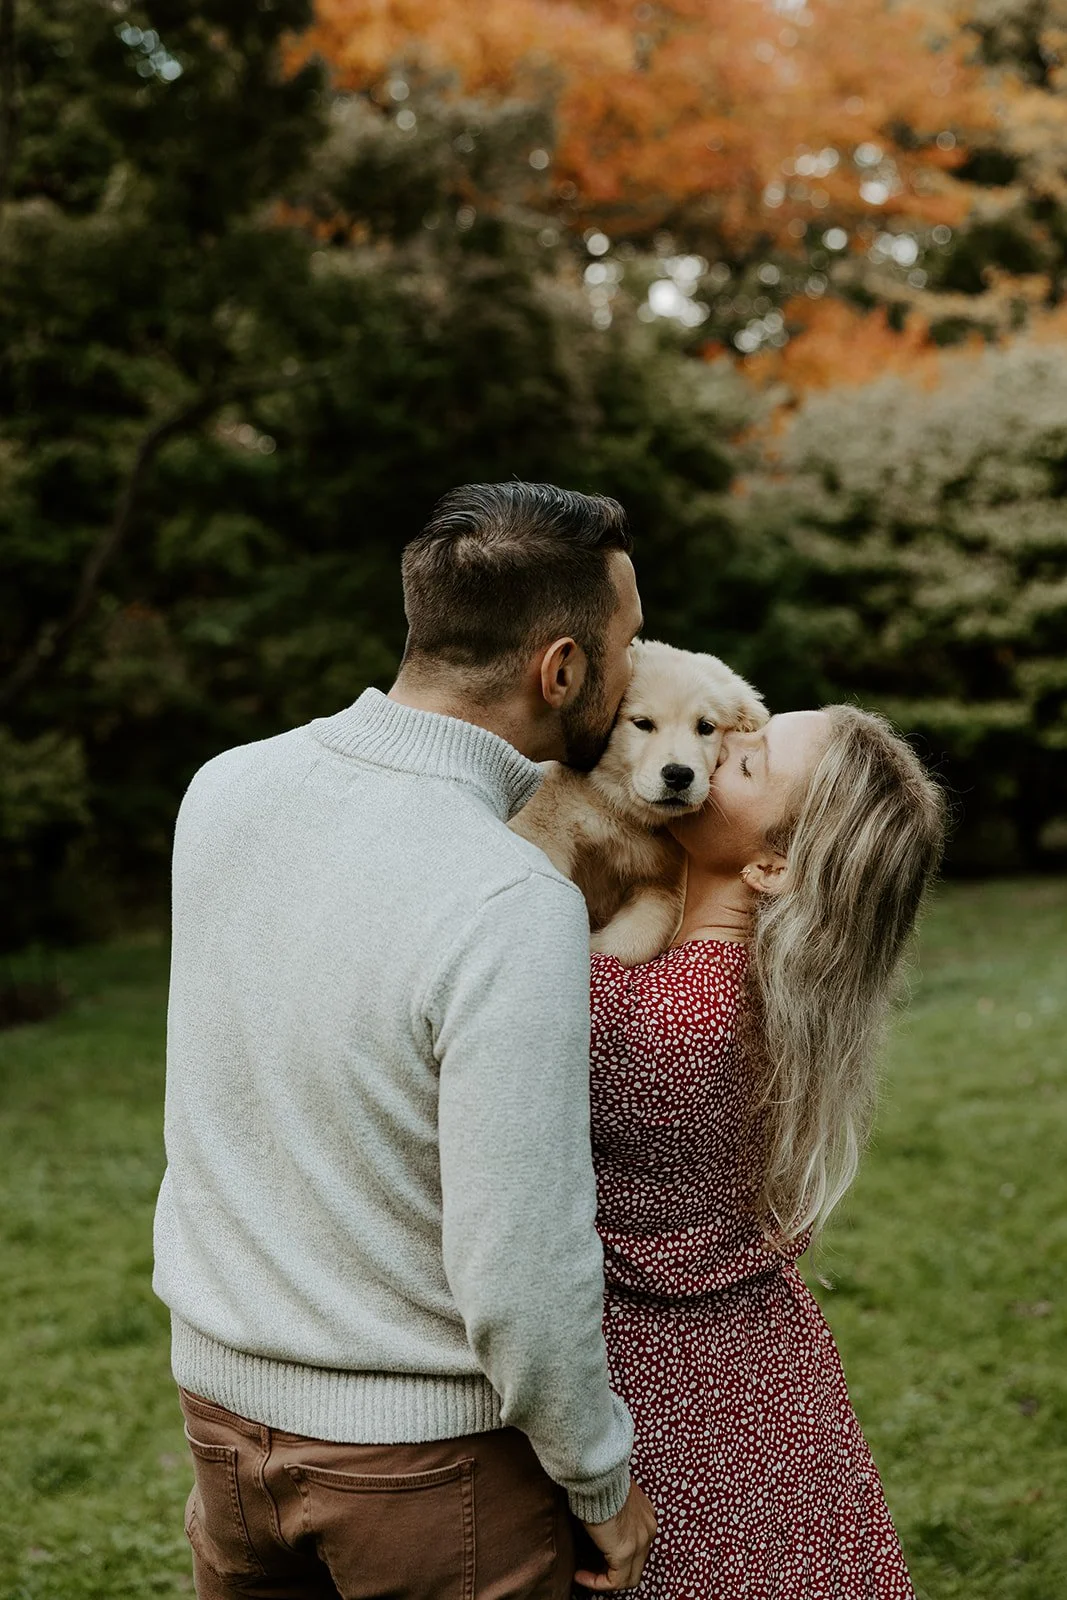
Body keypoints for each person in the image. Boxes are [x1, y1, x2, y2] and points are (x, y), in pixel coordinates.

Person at [153, 482, 656, 1600]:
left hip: (222, 1427)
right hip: (427, 1473)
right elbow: (519, 1267)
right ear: (560, 669)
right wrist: (599, 1479)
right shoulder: (508, 898)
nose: (634, 679)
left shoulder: (224, 787)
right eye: (626, 648)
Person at [589, 705, 947, 1597]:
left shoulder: (662, 1014)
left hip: (673, 1403)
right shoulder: (766, 990)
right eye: (744, 725)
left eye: (748, 764)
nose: (718, 750)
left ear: (769, 864)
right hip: (762, 1379)